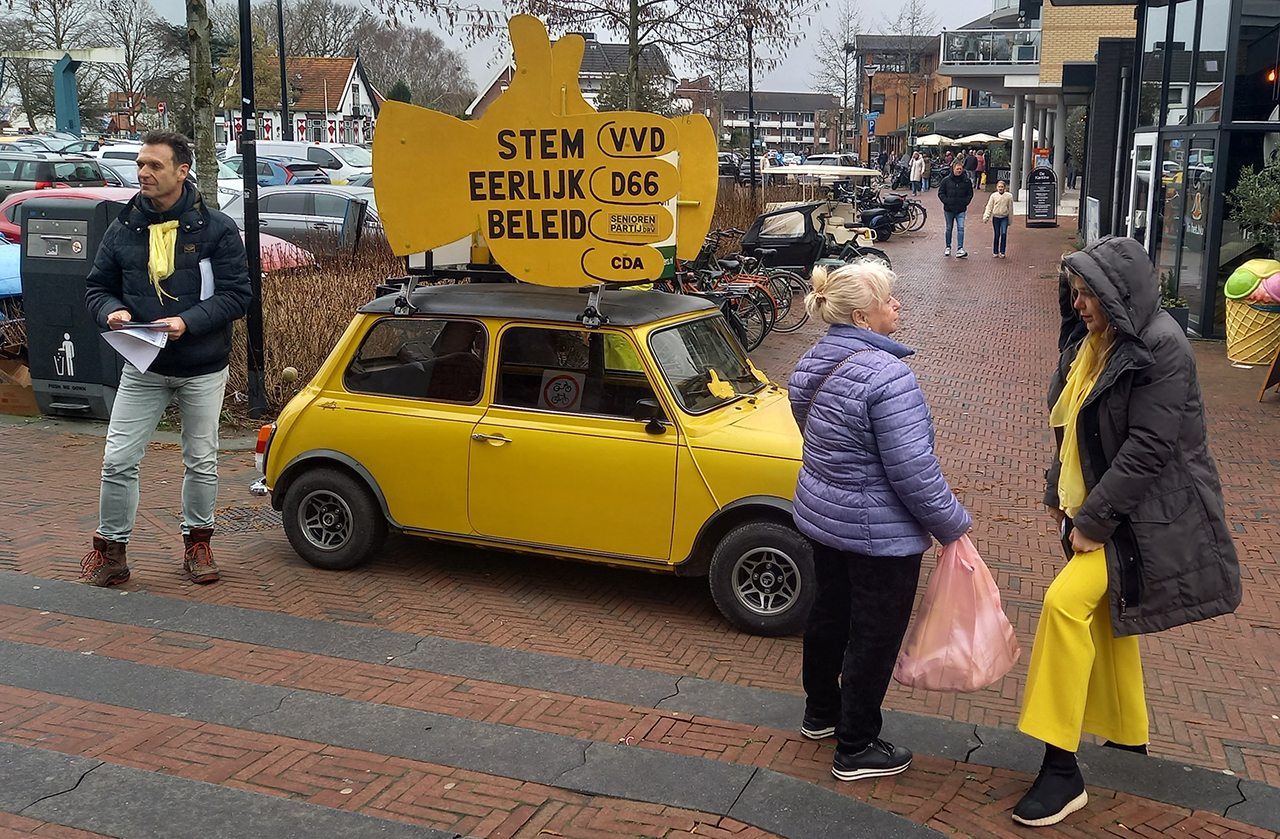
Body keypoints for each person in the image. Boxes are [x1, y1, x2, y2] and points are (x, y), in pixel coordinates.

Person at [1013, 237, 1241, 827]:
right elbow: (1072, 432)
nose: (1080, 304)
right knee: (1107, 616)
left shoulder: (1162, 348)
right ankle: (1128, 737)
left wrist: (1092, 521)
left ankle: (1060, 770)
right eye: (1076, 293)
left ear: (1120, 294)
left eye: (1090, 294)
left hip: (1145, 518)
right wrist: (1059, 499)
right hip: (1103, 512)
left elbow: (1148, 448)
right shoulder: (1090, 345)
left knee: (1064, 606)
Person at [789, 261, 971, 783]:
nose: (898, 306)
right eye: (890, 299)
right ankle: (857, 744)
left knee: (829, 613)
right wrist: (953, 524)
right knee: (874, 633)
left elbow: (813, 431)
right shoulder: (890, 376)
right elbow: (913, 470)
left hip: (825, 518)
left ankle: (821, 713)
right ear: (863, 317)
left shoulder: (811, 362)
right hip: (880, 535)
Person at [80, 131, 253, 587]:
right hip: (144, 365)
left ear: (182, 172)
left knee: (201, 459)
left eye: (155, 166)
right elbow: (97, 288)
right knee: (118, 461)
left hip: (202, 366)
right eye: (141, 164)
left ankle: (198, 545)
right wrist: (110, 311)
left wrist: (187, 322)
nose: (143, 173)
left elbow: (238, 296)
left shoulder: (216, 228)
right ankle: (112, 553)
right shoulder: (124, 227)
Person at [937, 161, 975, 257]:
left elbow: (970, 194)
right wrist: (946, 201)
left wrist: (965, 202)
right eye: (957, 169)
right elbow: (941, 193)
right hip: (948, 209)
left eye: (960, 169)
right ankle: (948, 247)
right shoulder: (946, 181)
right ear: (953, 169)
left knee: (961, 228)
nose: (959, 170)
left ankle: (960, 248)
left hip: (961, 209)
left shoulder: (966, 181)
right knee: (949, 228)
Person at [982, 179, 1013, 258]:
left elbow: (1010, 209)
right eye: (999, 187)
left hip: (1004, 217)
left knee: (1003, 233)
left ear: (1005, 188)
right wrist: (986, 216)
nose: (1000, 188)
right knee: (997, 234)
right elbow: (989, 206)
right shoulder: (993, 196)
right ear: (997, 187)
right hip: (996, 217)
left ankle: (1002, 251)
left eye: (1002, 187)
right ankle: (995, 251)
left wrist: (1010, 220)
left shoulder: (1009, 196)